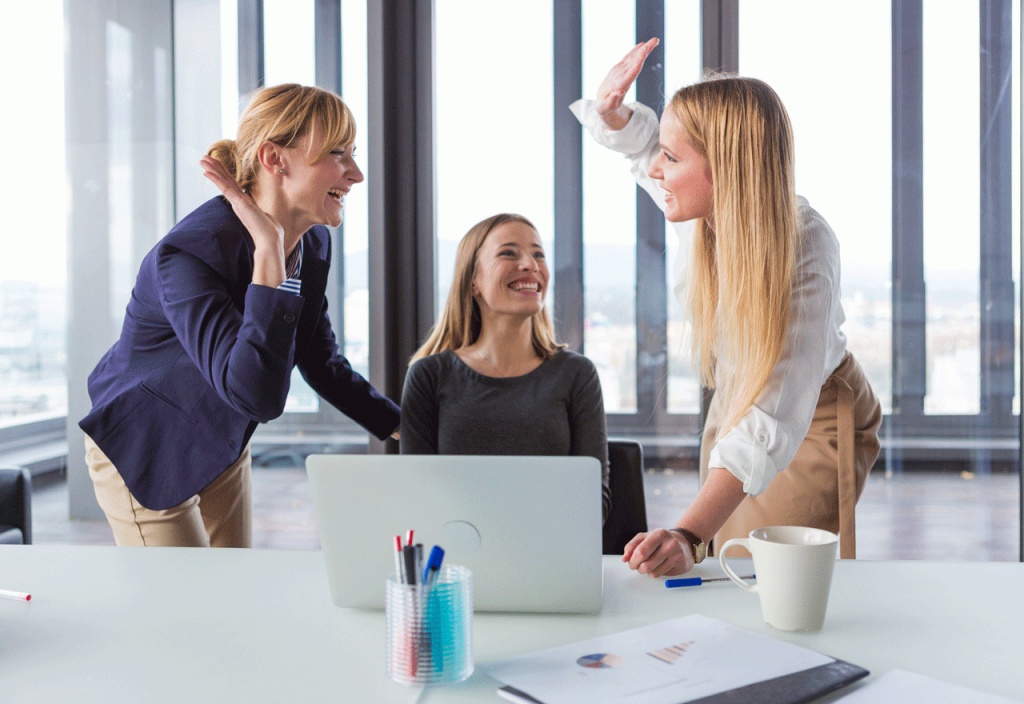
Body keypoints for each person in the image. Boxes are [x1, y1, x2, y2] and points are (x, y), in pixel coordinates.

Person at [571, 38, 881, 576]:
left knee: (772, 574)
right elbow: (649, 149)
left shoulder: (805, 246)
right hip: (741, 400)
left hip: (809, 414)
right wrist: (613, 115)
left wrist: (687, 533)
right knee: (727, 566)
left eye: (671, 159)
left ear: (729, 170)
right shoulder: (711, 208)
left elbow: (775, 408)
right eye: (662, 155)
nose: (655, 171)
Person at [79, 83, 400, 547]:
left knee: (239, 587)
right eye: (338, 153)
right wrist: (268, 254)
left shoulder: (312, 244)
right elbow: (256, 395)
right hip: (148, 442)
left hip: (221, 435)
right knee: (190, 609)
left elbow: (318, 359)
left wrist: (403, 426)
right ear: (274, 158)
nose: (356, 174)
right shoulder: (187, 255)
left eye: (353, 153)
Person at [399, 213, 611, 521]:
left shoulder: (577, 374)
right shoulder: (428, 376)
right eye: (508, 253)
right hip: (458, 559)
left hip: (551, 556)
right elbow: (417, 496)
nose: (530, 264)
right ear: (473, 282)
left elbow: (594, 503)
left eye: (539, 254)